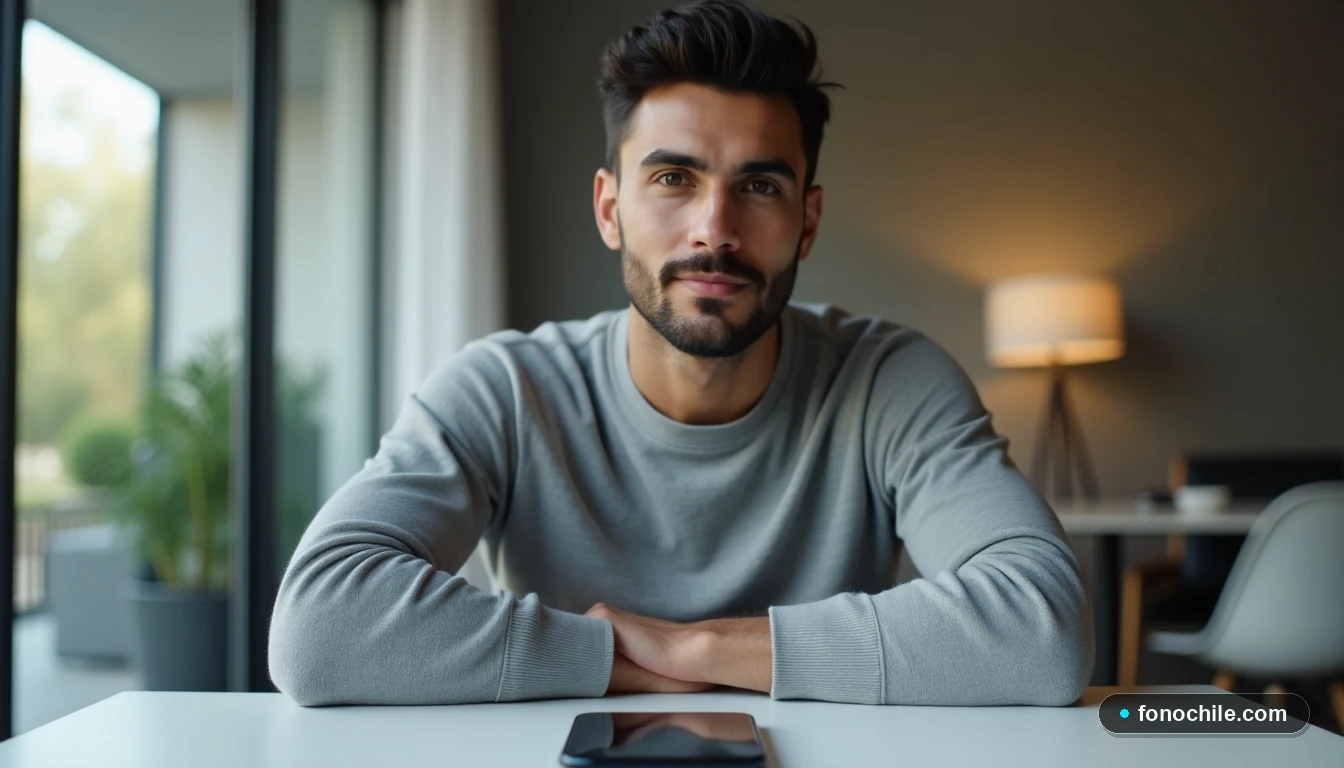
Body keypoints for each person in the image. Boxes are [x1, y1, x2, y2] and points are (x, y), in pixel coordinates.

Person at [268, 0, 1093, 707]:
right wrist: (605, 663)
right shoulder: (506, 389)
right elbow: (319, 628)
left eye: (760, 186)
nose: (715, 229)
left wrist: (695, 650)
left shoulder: (888, 382)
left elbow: (1043, 627)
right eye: (673, 179)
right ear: (609, 207)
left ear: (807, 219)